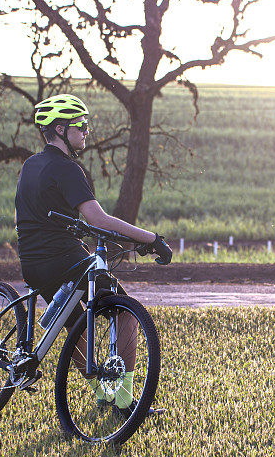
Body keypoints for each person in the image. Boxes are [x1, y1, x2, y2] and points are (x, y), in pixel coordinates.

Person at [15, 93, 171, 417]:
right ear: (60, 129)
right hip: (64, 260)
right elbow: (98, 219)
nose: (87, 131)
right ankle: (125, 403)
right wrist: (151, 239)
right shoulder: (67, 169)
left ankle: (103, 392)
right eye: (81, 125)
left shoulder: (30, 164)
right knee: (126, 312)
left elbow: (22, 219)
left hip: (31, 263)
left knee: (74, 326)